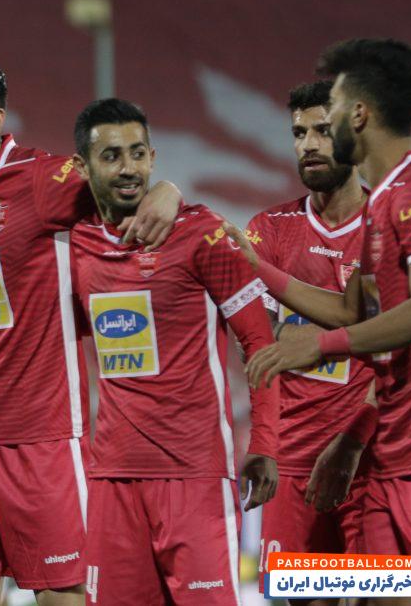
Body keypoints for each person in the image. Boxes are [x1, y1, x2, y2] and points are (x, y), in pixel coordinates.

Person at [0, 50, 181, 605]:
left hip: (41, 437)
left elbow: (124, 182)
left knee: (63, 595)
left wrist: (168, 190)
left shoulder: (39, 179)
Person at [240, 39, 411, 585]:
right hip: (386, 450)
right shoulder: (384, 205)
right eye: (300, 131)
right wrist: (253, 265)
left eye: (333, 113)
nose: (313, 138)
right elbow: (351, 311)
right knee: (350, 588)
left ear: (359, 114)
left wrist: (318, 346)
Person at [69, 98, 278, 605]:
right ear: (82, 167)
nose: (129, 168)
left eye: (138, 153)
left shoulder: (201, 234)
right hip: (112, 478)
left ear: (153, 157)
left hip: (195, 475)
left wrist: (266, 442)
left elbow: (260, 340)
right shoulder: (72, 245)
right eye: (112, 156)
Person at [245, 81, 376, 603]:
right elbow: (255, 342)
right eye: (299, 133)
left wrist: (356, 438)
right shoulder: (269, 230)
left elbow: (406, 347)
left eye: (323, 130)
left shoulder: (387, 224)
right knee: (301, 596)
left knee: (400, 588)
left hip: (369, 458)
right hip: (292, 465)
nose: (309, 145)